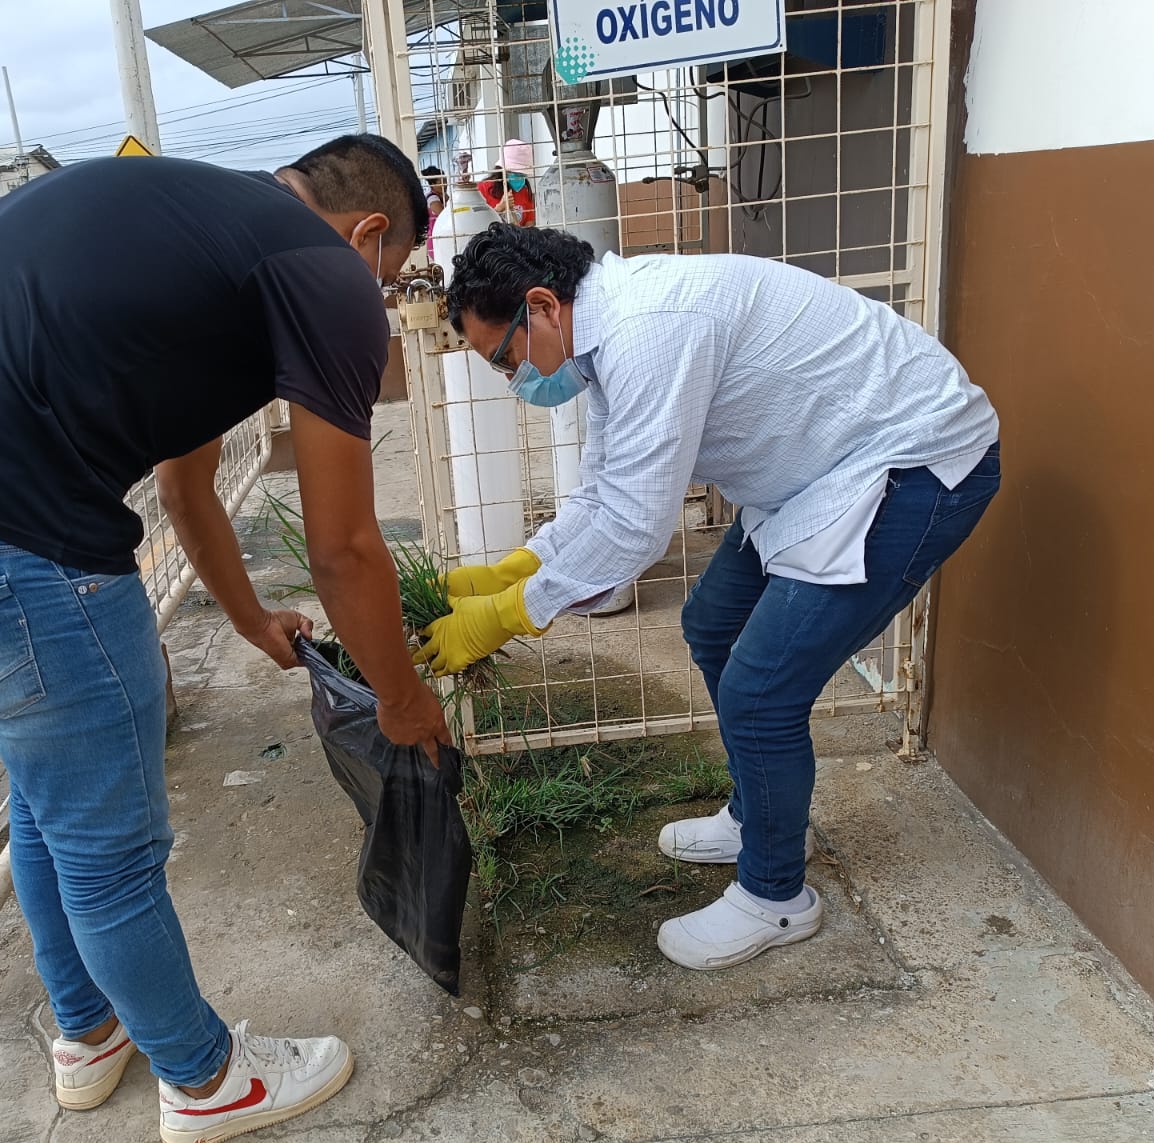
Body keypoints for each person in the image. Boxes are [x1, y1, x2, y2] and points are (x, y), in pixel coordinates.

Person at [0, 136, 451, 1143]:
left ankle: (88, 1033)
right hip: (12, 547)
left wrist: (251, 619)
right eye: (389, 277)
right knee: (112, 852)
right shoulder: (321, 270)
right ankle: (204, 1079)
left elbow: (184, 484)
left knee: (52, 803)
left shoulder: (197, 239)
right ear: (368, 233)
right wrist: (401, 700)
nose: (379, 300)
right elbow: (344, 548)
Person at [421, 223, 1000, 973]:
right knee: (713, 623)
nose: (513, 380)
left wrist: (509, 614)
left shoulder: (648, 331)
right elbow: (604, 492)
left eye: (504, 358)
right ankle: (761, 816)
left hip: (919, 461)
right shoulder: (606, 337)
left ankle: (775, 896)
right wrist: (520, 566)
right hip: (826, 470)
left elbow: (634, 527)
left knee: (762, 691)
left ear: (542, 306)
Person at [477, 140, 535, 226]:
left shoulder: (524, 191)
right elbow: (478, 224)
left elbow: (529, 224)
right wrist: (500, 207)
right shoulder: (483, 189)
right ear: (503, 170)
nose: (519, 177)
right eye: (515, 173)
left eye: (522, 174)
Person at [421, 164, 446, 252]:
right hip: (436, 241)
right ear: (433, 184)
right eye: (441, 182)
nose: (445, 184)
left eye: (445, 180)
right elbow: (444, 215)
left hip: (441, 237)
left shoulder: (442, 196)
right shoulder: (433, 198)